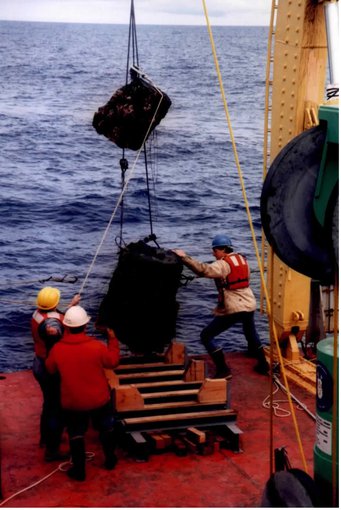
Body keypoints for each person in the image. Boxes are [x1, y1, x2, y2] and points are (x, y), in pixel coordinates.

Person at [173, 234, 269, 379]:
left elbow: (203, 269)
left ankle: (223, 370)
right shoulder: (242, 259)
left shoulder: (222, 264)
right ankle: (263, 364)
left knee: (206, 335)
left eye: (215, 250)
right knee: (251, 333)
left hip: (234, 307)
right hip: (249, 303)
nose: (213, 253)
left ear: (223, 250)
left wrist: (184, 257)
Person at [45, 305, 120, 481]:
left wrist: (52, 344)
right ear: (85, 326)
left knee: (76, 433)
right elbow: (113, 362)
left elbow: (49, 368)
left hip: (73, 402)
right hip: (98, 399)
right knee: (106, 428)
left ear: (66, 327)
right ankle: (110, 459)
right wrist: (113, 340)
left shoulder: (58, 349)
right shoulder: (97, 347)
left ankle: (79, 470)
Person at [31, 286, 80, 461]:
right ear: (56, 302)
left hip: (38, 362)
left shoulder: (37, 314)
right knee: (56, 409)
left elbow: (52, 319)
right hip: (49, 367)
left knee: (48, 403)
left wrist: (71, 307)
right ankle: (52, 450)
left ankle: (45, 438)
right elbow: (54, 329)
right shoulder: (53, 326)